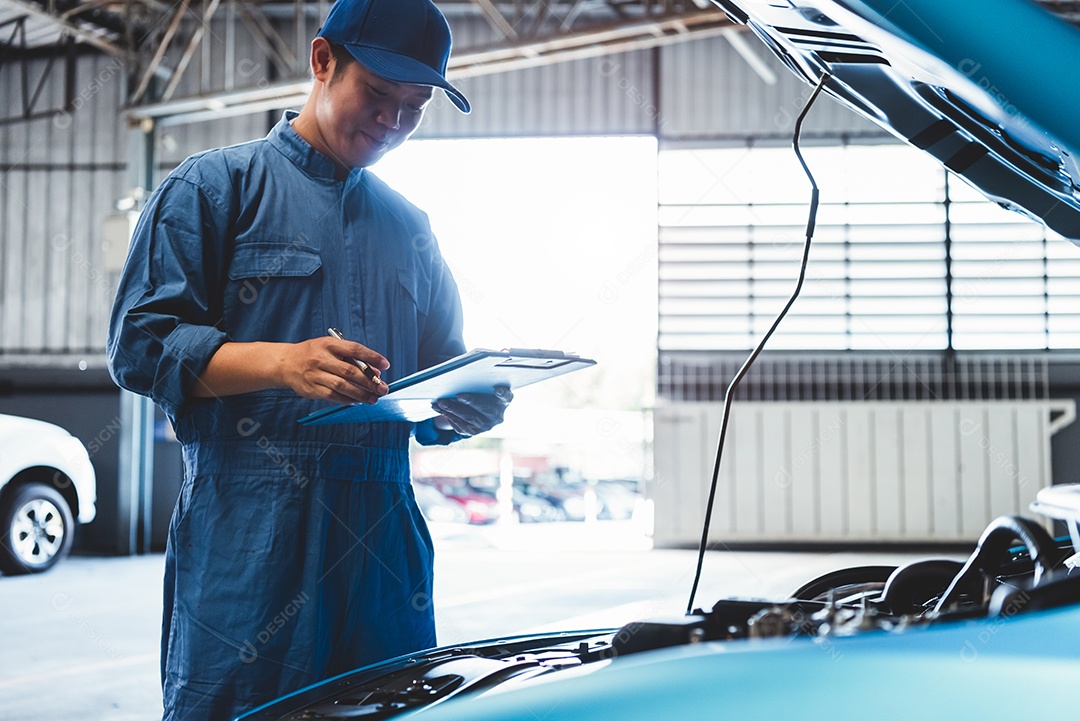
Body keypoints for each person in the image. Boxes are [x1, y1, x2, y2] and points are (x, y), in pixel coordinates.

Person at [106, 0, 511, 718]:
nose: (392, 123)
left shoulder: (412, 229)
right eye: (379, 95)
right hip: (250, 532)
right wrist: (279, 364)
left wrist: (465, 406)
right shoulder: (212, 189)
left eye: (414, 107)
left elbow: (432, 385)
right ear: (323, 61)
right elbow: (139, 346)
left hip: (386, 543)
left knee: (393, 704)